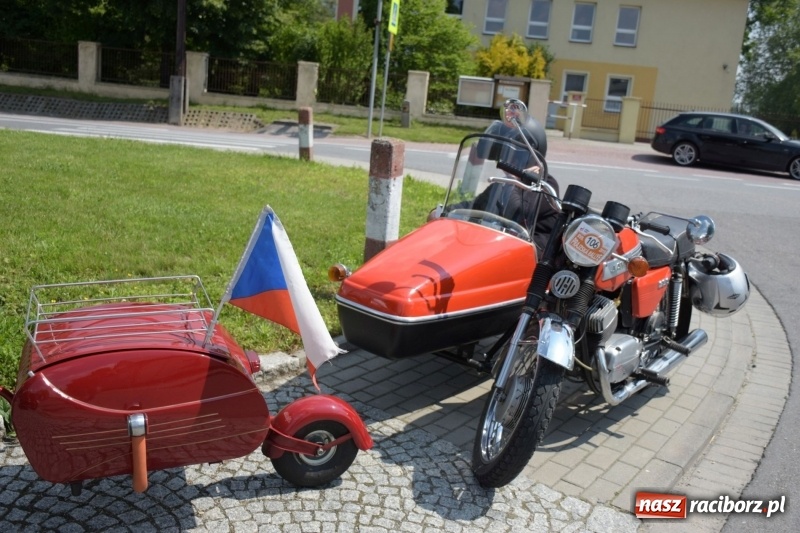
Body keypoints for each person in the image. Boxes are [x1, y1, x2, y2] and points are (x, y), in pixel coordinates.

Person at [452, 116, 560, 253]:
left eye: (516, 155)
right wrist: (445, 213)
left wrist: (512, 179)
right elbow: (473, 205)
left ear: (533, 157)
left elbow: (517, 210)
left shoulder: (546, 187)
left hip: (531, 260)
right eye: (504, 154)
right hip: (498, 250)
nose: (506, 160)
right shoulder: (500, 185)